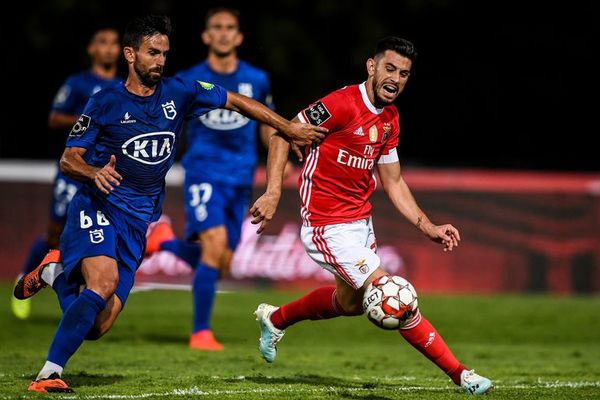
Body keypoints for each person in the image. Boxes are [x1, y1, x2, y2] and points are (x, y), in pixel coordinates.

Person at [13, 15, 326, 393]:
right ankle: (48, 374)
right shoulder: (105, 101)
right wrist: (93, 172)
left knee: (97, 325)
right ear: (130, 54)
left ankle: (55, 273)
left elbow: (238, 101)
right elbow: (69, 159)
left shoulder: (180, 91)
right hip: (99, 206)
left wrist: (288, 127)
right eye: (151, 52)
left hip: (138, 220)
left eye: (164, 53)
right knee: (104, 281)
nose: (159, 60)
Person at [250, 36, 493, 395]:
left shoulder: (390, 119)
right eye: (390, 68)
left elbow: (393, 182)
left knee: (349, 303)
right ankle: (462, 374)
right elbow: (282, 136)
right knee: (396, 297)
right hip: (326, 225)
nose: (396, 78)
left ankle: (275, 319)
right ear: (372, 66)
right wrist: (272, 192)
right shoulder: (340, 104)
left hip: (360, 223)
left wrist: (428, 226)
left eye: (405, 73)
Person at [172, 7, 290, 351]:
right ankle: (201, 333)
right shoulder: (187, 79)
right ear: (206, 36)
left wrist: (280, 158)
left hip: (241, 177)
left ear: (238, 37)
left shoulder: (256, 79)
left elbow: (267, 126)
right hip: (204, 172)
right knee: (212, 247)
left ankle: (162, 244)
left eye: (230, 28)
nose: (223, 33)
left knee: (223, 259)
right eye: (216, 28)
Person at [10, 27, 121, 320]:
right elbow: (55, 117)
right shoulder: (78, 83)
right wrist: (92, 120)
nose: (109, 48)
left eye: (114, 43)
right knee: (54, 234)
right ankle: (27, 275)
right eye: (103, 43)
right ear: (92, 50)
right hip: (76, 168)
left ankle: (80, 291)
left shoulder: (124, 87)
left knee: (98, 235)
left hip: (105, 173)